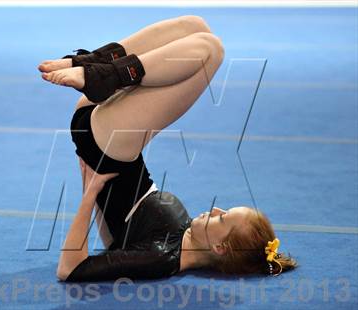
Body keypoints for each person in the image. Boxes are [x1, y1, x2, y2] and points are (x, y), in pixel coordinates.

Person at [38, 15, 297, 282]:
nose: (216, 210)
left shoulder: (162, 259)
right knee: (195, 28)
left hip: (107, 143)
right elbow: (117, 242)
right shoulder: (183, 235)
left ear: (219, 248)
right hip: (107, 138)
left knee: (211, 50)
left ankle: (102, 74)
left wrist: (90, 192)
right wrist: (91, 174)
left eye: (222, 219)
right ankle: (89, 64)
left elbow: (70, 270)